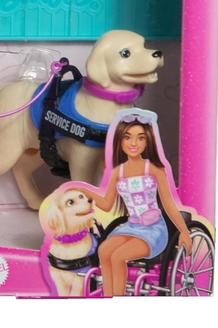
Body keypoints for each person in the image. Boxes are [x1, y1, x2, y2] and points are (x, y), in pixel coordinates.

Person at [80, 109, 191, 296]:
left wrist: (184, 232)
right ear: (120, 141)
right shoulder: (118, 172)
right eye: (127, 137)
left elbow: (168, 203)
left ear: (148, 142)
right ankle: (108, 297)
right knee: (104, 250)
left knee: (118, 256)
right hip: (131, 226)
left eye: (140, 138)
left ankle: (118, 299)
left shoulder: (154, 170)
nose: (133, 143)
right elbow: (107, 204)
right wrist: (86, 191)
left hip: (153, 229)